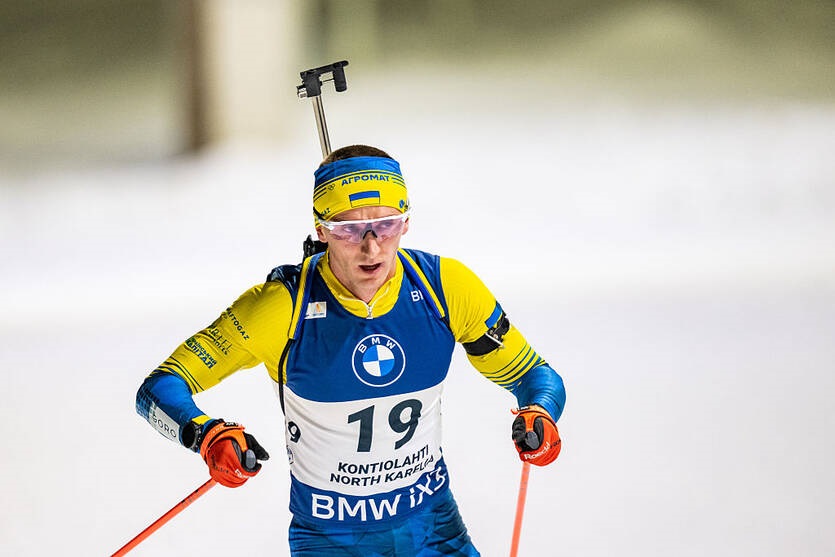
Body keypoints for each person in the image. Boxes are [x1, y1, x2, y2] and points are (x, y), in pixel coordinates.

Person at [136, 145, 566, 556]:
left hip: (432, 530)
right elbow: (158, 388)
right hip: (331, 540)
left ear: (406, 222)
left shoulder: (445, 288)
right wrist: (206, 434)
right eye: (348, 229)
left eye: (386, 224)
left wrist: (540, 412)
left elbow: (534, 374)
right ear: (320, 229)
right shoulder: (282, 307)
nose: (371, 247)